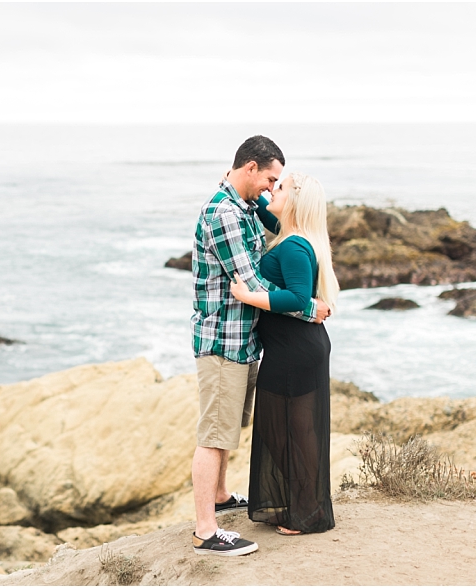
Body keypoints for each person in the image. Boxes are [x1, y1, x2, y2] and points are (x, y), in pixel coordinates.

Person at [190, 136, 330, 556]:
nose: (272, 188)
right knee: (214, 435)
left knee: (228, 428)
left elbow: (280, 228)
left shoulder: (244, 207)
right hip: (223, 342)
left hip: (245, 342)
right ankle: (206, 531)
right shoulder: (224, 214)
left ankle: (219, 495)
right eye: (270, 179)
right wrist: (310, 307)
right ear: (250, 168)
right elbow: (248, 285)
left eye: (279, 184)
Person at [231, 172, 339, 536]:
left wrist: (248, 297)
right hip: (291, 350)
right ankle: (299, 505)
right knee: (280, 431)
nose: (271, 190)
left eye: (279, 187)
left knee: (296, 433)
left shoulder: (294, 246)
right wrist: (238, 186)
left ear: (293, 201)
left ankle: (307, 513)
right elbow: (266, 211)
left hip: (295, 352)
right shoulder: (289, 233)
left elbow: (296, 297)